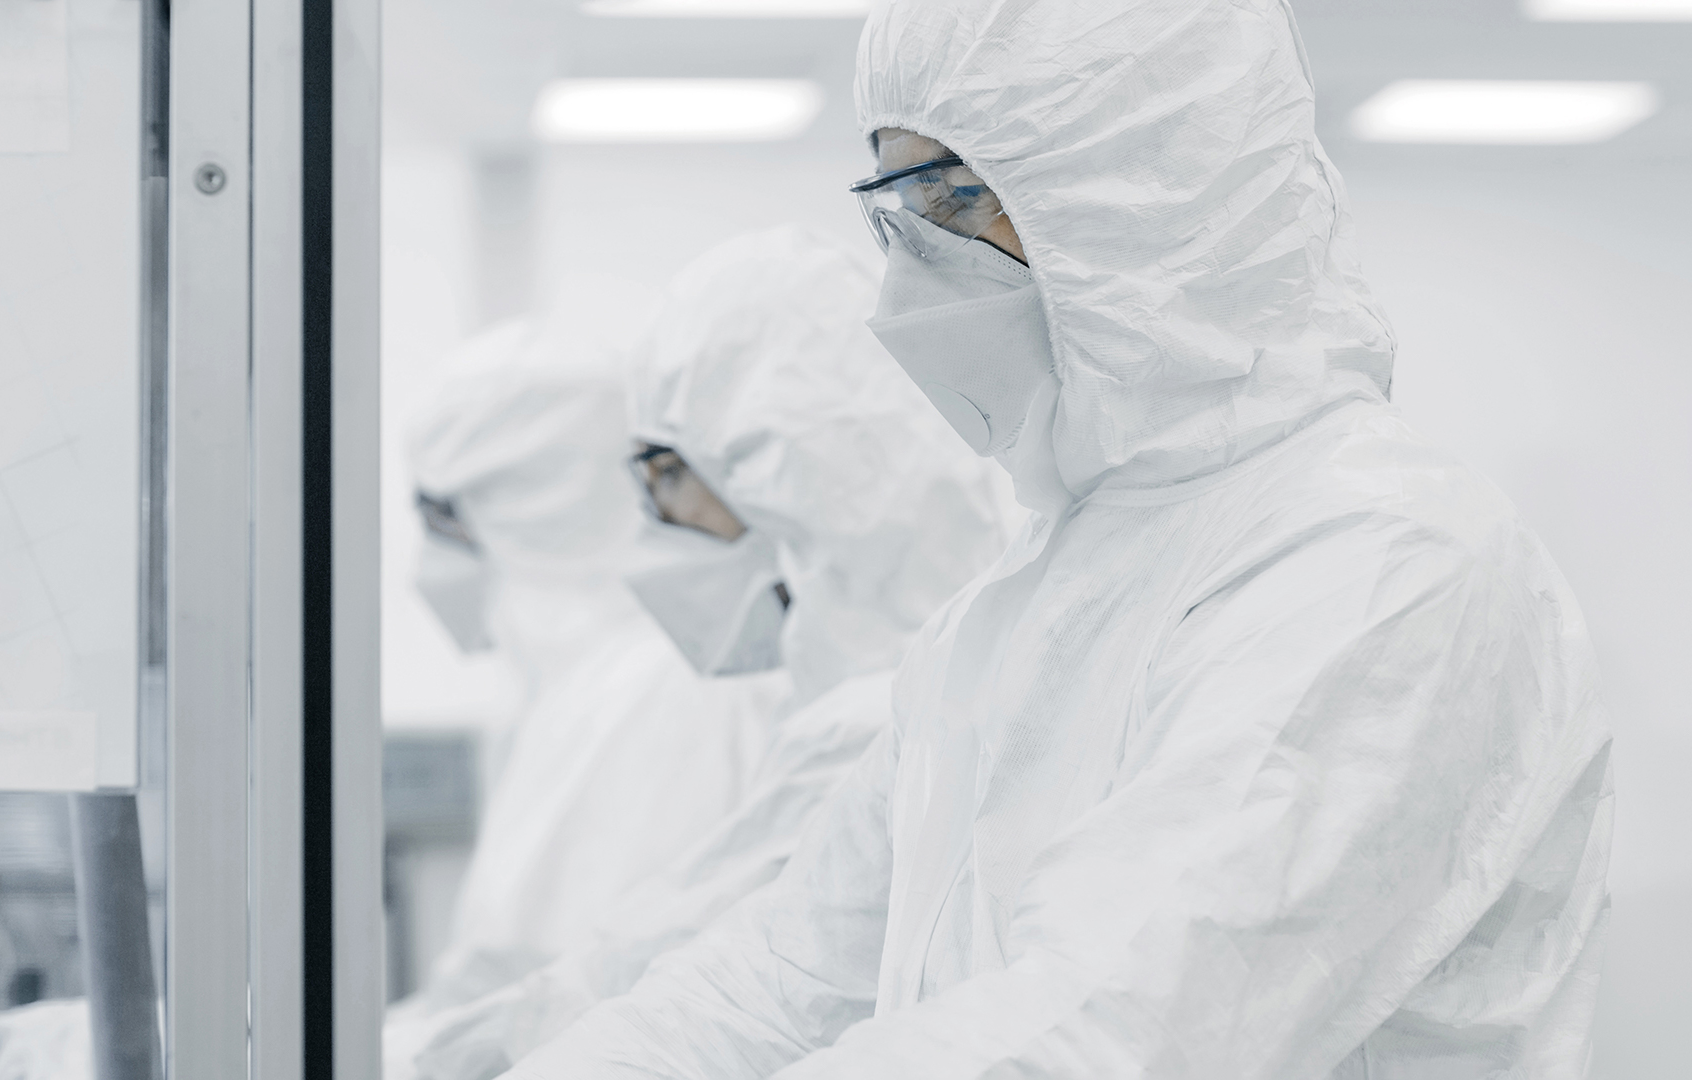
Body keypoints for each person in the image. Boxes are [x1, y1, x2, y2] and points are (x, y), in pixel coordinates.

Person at [503, 1, 1614, 1077]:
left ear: (1153, 193)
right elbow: (778, 981)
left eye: (951, 199)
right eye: (892, 213)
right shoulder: (1019, 602)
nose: (905, 285)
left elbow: (1104, 1034)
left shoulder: (1392, 565)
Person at [387, 226, 1011, 1080]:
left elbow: (741, 1000)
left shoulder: (887, 723)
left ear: (786, 473)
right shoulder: (863, 706)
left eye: (665, 477)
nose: (650, 525)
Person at [391, 315, 790, 1021]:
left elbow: (568, 997)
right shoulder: (575, 689)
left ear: (519, 505)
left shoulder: (661, 692)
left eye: (439, 514)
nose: (428, 555)